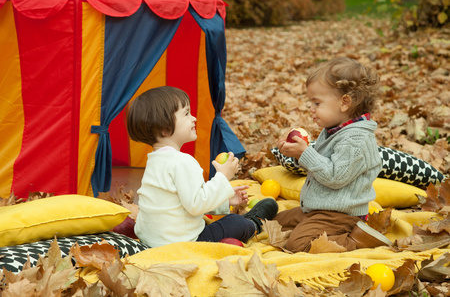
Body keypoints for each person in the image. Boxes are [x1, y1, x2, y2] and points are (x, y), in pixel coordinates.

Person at [126, 86, 278, 248]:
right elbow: (197, 204)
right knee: (235, 223)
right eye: (186, 114)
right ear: (164, 129)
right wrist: (222, 177)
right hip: (184, 243)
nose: (194, 118)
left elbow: (181, 203)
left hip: (153, 242)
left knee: (213, 221)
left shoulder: (154, 161)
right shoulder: (182, 161)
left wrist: (225, 201)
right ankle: (253, 223)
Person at [275, 57, 392, 253]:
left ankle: (357, 240)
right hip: (319, 209)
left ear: (344, 102)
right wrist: (298, 154)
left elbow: (335, 176)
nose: (311, 109)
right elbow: (322, 165)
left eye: (317, 103)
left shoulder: (356, 139)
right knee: (278, 222)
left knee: (298, 244)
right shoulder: (334, 129)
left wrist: (307, 153)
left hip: (340, 215)